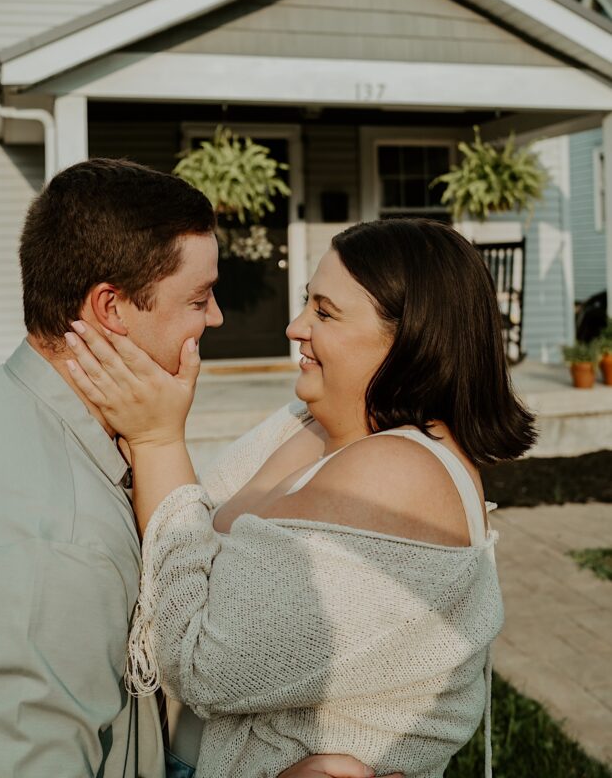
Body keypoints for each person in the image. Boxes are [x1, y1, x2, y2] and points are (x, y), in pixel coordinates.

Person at [0, 158, 387, 778]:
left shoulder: (25, 405)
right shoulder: (52, 548)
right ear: (111, 309)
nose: (217, 317)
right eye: (198, 299)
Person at [64, 218, 538, 778]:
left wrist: (158, 439)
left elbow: (204, 663)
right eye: (305, 304)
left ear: (411, 338)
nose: (294, 327)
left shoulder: (402, 472)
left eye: (325, 313)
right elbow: (180, 533)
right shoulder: (309, 422)